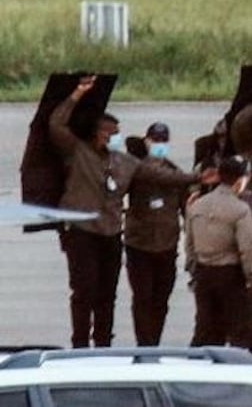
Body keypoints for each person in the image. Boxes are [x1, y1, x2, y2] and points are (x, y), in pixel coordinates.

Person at [49, 76, 199, 348]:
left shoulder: (125, 161)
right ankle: (80, 343)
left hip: (110, 233)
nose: (116, 136)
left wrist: (193, 178)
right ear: (97, 133)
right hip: (82, 232)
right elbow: (56, 124)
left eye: (118, 131)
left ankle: (103, 343)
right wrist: (76, 95)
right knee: (84, 291)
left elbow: (158, 175)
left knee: (107, 293)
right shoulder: (77, 151)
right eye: (111, 131)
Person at [123, 122, 190, 347]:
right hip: (139, 245)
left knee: (161, 300)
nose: (159, 145)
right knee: (142, 298)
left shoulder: (176, 173)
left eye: (163, 141)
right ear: (147, 141)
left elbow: (186, 209)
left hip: (167, 245)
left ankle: (154, 342)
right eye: (155, 140)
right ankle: (145, 344)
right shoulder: (137, 168)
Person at [185, 156, 252, 351]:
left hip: (203, 272)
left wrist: (194, 270)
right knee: (239, 330)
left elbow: (189, 244)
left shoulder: (198, 205)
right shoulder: (240, 209)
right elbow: (247, 248)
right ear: (239, 180)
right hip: (230, 274)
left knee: (206, 327)